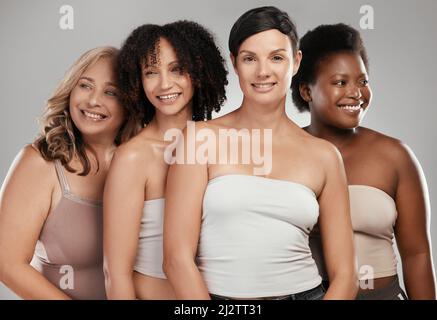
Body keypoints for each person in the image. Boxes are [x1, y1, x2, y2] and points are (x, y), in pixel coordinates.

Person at [163, 6, 357, 300]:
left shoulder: (325, 156)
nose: (263, 71)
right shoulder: (199, 139)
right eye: (249, 58)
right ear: (234, 63)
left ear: (295, 62)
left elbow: (345, 275)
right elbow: (176, 259)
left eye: (277, 57)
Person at [292, 23, 436, 299]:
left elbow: (417, 254)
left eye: (363, 81)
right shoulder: (284, 154)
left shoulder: (394, 156)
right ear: (306, 91)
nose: (356, 92)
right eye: (340, 82)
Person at [103, 21, 228, 299]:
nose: (164, 84)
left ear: (199, 72)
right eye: (151, 72)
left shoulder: (222, 143)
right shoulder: (133, 157)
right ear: (137, 81)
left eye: (177, 69)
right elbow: (116, 273)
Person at [0, 46, 133, 299]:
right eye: (85, 85)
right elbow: (7, 264)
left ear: (130, 103)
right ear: (70, 88)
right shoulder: (40, 162)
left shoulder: (140, 163)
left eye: (110, 92)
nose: (93, 100)